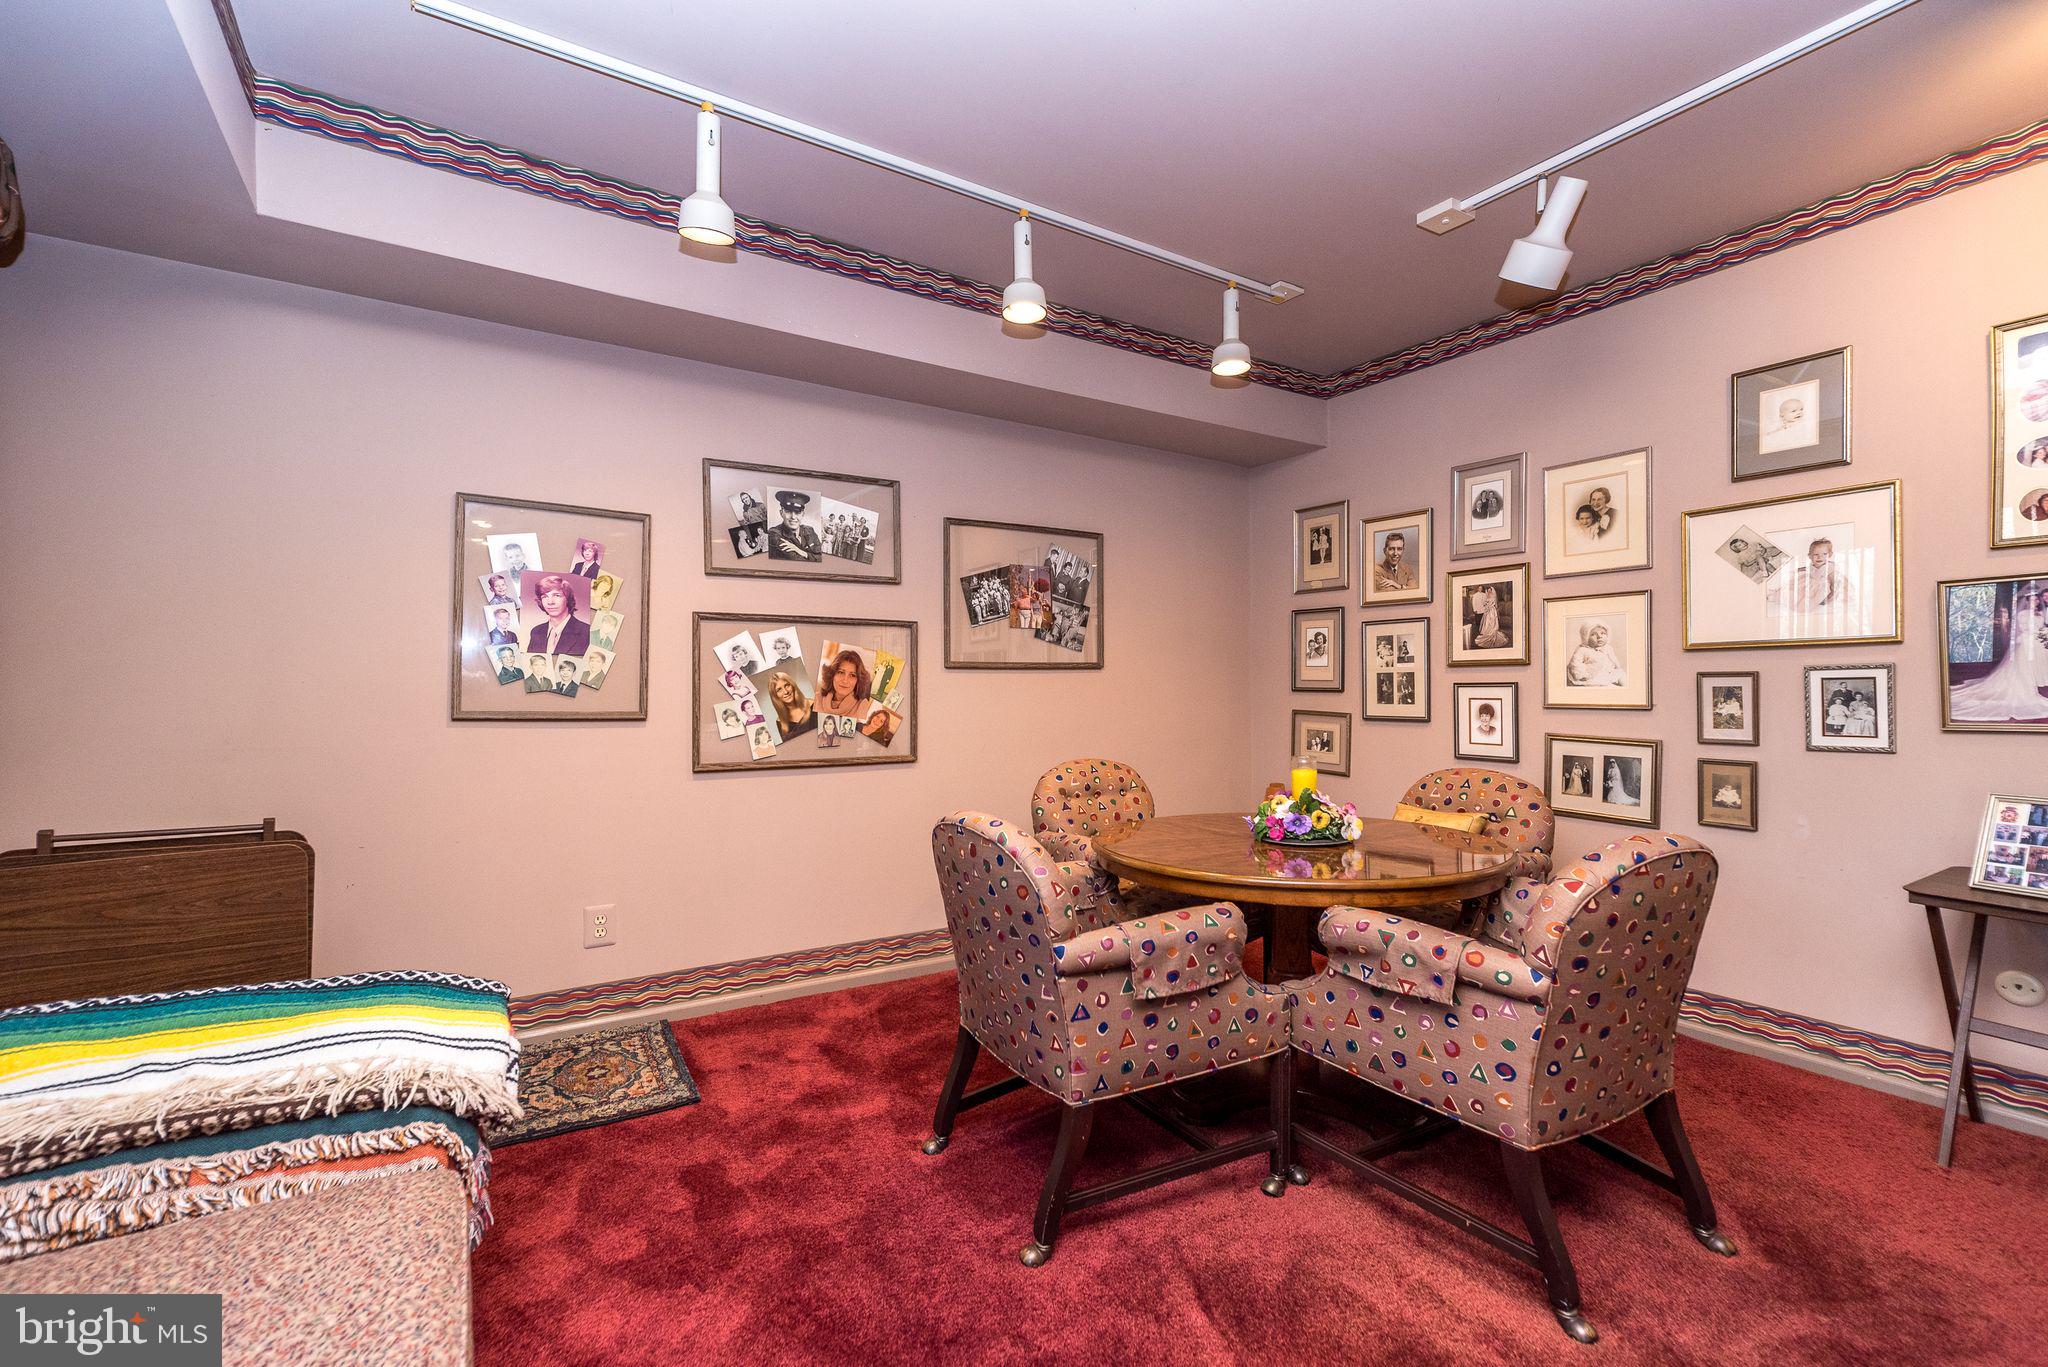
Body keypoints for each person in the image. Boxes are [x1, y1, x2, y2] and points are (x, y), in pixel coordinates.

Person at [1951, 579, 2048, 723]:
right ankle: (2028, 686)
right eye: (2033, 600)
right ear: (2027, 600)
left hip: (2037, 643)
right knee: (2025, 667)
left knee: (2038, 663)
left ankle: (2039, 682)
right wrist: (2040, 632)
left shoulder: (2040, 614)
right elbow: (2025, 629)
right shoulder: (2023, 614)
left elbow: (2041, 627)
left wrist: (2044, 632)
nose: (2036, 602)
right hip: (2027, 643)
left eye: (2037, 600)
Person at [1769, 536, 1857, 619]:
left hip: (1826, 586)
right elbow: (1809, 569)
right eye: (1816, 554)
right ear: (1810, 556)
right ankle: (1779, 595)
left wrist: (1831, 594)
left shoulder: (1830, 567)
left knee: (1815, 595)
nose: (1820, 557)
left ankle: (1819, 600)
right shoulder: (1814, 564)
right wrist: (1799, 569)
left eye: (1824, 554)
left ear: (1830, 554)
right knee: (1796, 587)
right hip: (1812, 582)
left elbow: (1834, 582)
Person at [526, 574, 590, 656]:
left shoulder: (586, 632)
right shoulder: (536, 632)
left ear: (567, 598)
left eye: (557, 595)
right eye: (545, 597)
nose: (550, 602)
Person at [816, 647, 872, 719]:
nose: (845, 680)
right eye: (841, 672)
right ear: (832, 675)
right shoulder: (817, 698)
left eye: (852, 675)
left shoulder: (863, 707)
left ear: (858, 681)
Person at [767, 491, 822, 561]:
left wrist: (801, 552)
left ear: (803, 514)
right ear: (781, 513)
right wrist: (811, 556)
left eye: (797, 512)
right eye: (788, 511)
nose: (793, 517)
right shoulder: (774, 534)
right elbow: (799, 563)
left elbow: (822, 558)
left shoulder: (809, 530)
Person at [1565, 622, 1625, 687]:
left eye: (1603, 633)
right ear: (1586, 637)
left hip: (1606, 674)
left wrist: (1616, 667)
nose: (1599, 636)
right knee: (1607, 685)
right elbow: (1575, 664)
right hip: (1591, 677)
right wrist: (1582, 675)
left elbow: (1613, 659)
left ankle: (1627, 689)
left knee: (1621, 673)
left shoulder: (1608, 648)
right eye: (1593, 634)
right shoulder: (1582, 650)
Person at [764, 670, 817, 739]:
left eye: (787, 685)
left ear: (793, 685)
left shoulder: (814, 705)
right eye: (779, 690)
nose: (786, 692)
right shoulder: (780, 722)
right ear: (775, 696)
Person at [1468, 585, 1508, 649]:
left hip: (1491, 610)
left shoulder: (1492, 596)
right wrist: (1485, 606)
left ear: (1491, 590)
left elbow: (1493, 604)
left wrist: (1488, 607)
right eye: (1488, 590)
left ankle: (1491, 631)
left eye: (1490, 590)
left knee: (1491, 621)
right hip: (1484, 610)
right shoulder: (1478, 595)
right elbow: (1484, 603)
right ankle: (1485, 631)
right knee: (1484, 621)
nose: (1489, 592)